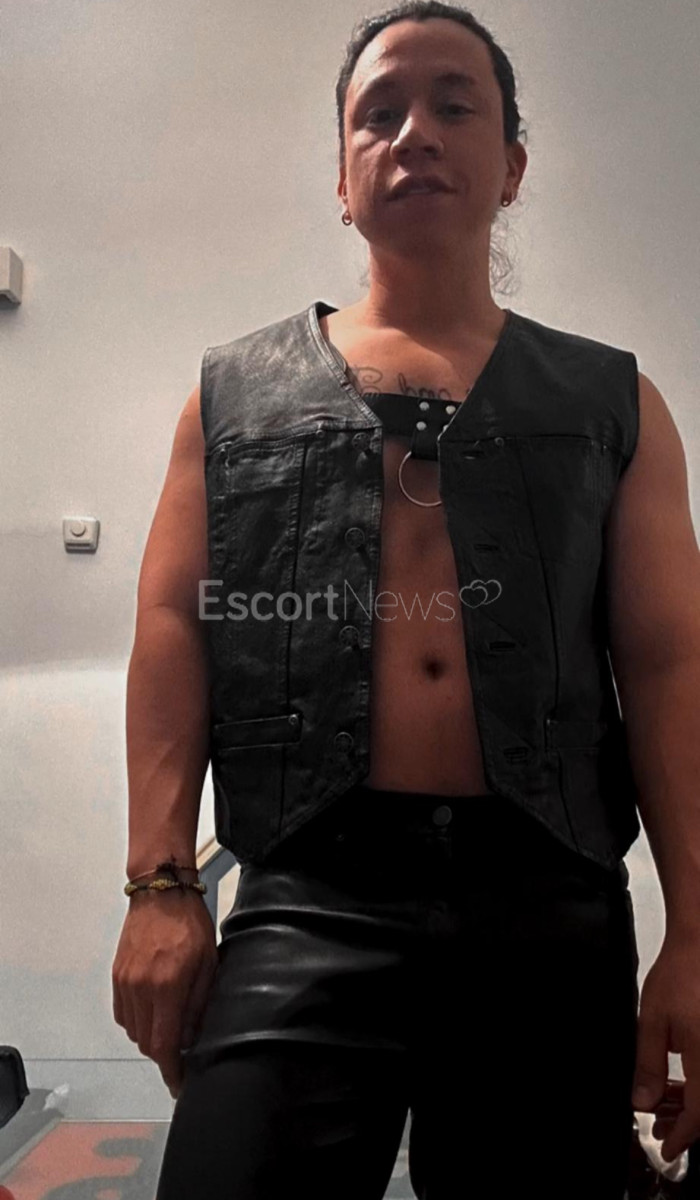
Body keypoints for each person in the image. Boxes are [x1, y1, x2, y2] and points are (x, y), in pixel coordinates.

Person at [111, 3, 700, 1197]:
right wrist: (161, 886)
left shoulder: (613, 402)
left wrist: (694, 932)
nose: (413, 132)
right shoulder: (231, 396)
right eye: (377, 114)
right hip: (309, 890)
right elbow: (174, 631)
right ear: (343, 180)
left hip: (548, 899)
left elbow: (667, 664)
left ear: (512, 166)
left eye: (453, 105)